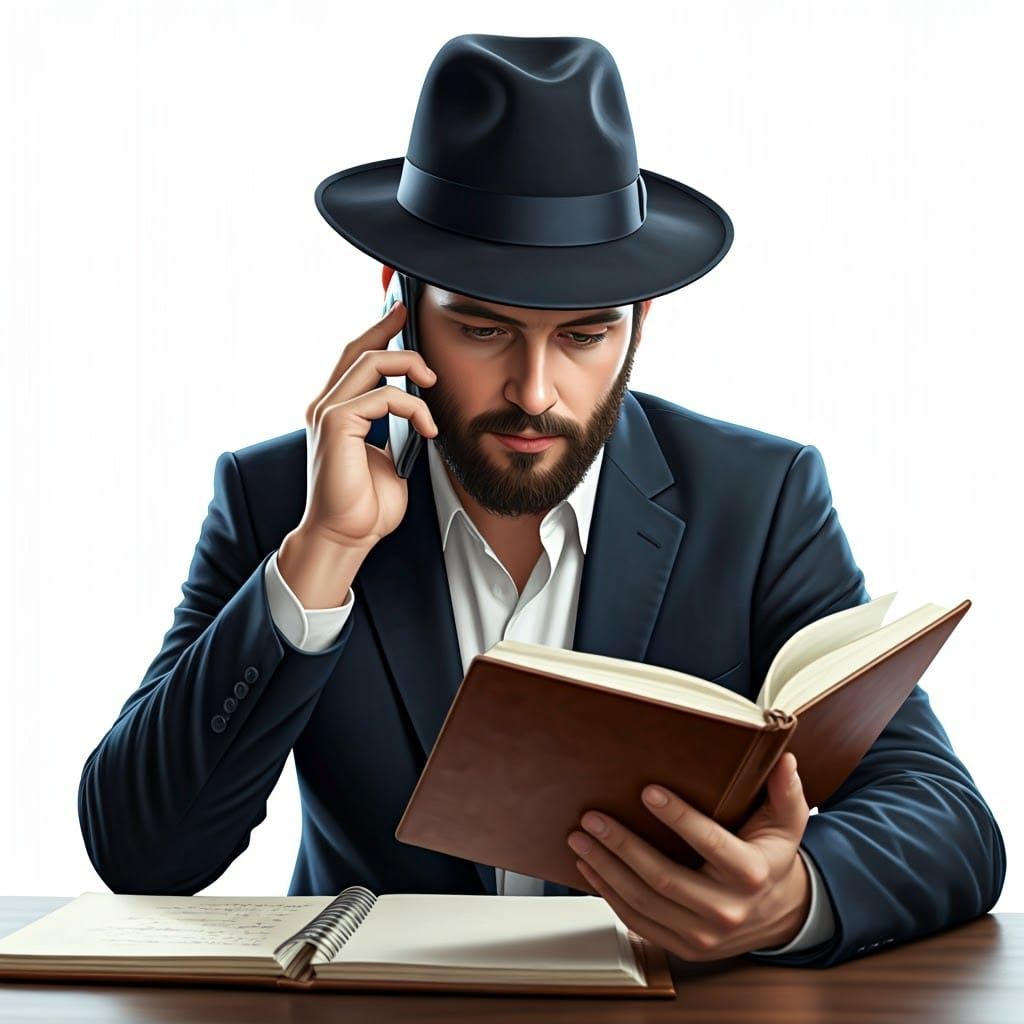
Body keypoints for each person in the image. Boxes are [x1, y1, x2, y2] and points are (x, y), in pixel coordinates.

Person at [78, 34, 1005, 969]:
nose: (534, 392)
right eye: (483, 330)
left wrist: (790, 899)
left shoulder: (759, 499)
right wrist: (322, 555)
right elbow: (141, 854)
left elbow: (947, 819)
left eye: (584, 336)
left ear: (640, 320)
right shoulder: (280, 499)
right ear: (399, 305)